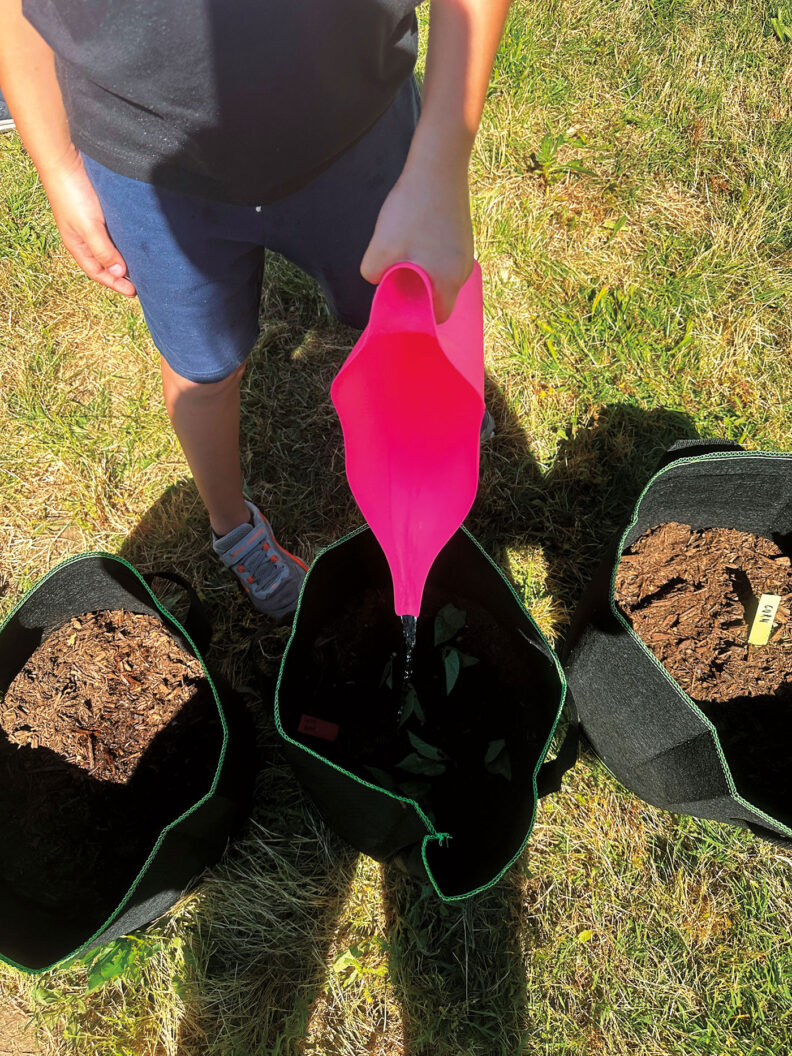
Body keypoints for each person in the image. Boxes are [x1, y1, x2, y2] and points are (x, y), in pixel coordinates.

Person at [0, 0, 511, 619]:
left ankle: (441, 429)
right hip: (145, 158)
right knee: (203, 367)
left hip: (354, 124)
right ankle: (234, 529)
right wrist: (56, 167)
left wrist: (441, 162)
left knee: (409, 310)